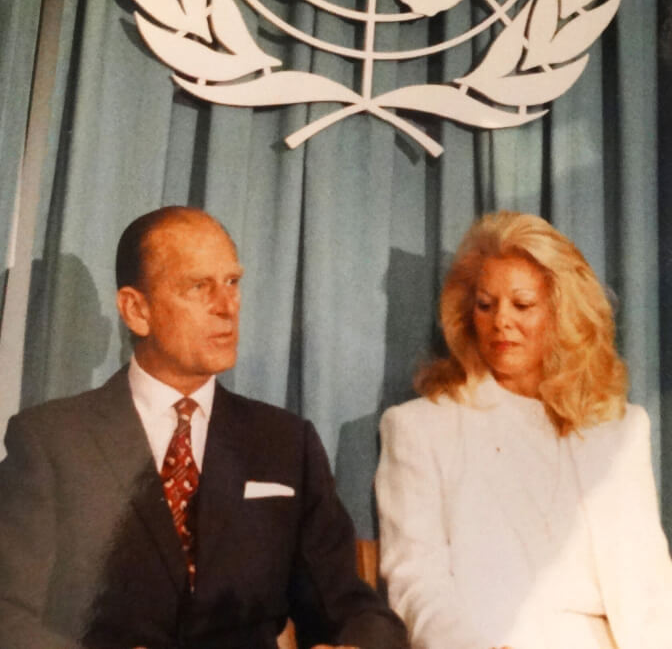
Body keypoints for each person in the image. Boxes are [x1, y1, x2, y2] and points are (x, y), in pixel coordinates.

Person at [0, 206, 409, 649]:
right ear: (136, 310)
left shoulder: (285, 444)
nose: (227, 307)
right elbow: (8, 615)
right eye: (199, 286)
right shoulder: (52, 442)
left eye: (233, 283)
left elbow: (350, 608)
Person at [375, 211, 672, 649]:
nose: (500, 321)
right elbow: (418, 583)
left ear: (562, 313)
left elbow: (653, 586)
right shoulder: (420, 427)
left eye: (522, 305)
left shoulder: (621, 428)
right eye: (485, 305)